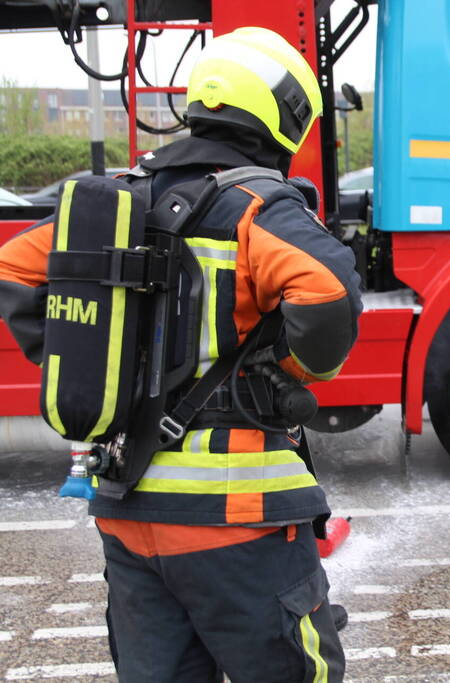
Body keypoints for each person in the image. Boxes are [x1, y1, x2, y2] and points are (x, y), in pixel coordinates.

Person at [0, 27, 361, 682]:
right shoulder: (256, 207)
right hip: (237, 519)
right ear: (279, 114)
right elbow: (330, 292)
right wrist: (294, 372)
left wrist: (74, 348)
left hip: (128, 512)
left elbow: (14, 269)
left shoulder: (116, 203)